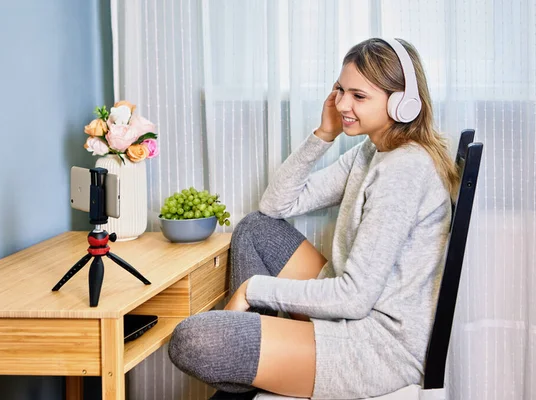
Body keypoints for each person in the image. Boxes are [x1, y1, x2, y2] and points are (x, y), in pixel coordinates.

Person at [168, 38, 459, 400]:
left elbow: (353, 298)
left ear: (403, 103)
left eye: (359, 96)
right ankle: (253, 366)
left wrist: (251, 289)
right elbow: (276, 205)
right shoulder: (372, 151)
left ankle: (246, 374)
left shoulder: (405, 170)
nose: (342, 104)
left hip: (377, 348)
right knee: (256, 229)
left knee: (193, 340)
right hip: (352, 319)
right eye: (340, 90)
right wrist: (324, 135)